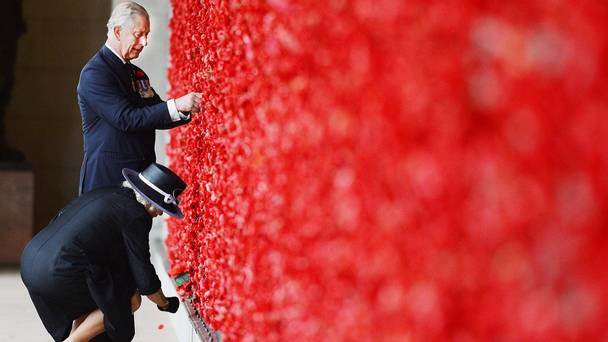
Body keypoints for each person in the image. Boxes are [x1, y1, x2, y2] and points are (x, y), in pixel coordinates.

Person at [21, 163, 188, 341]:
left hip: (31, 261)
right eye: (162, 208)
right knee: (128, 301)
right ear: (151, 201)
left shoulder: (108, 193)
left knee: (100, 302)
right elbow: (144, 275)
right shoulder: (136, 215)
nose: (161, 214)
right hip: (59, 271)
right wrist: (165, 303)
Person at [77, 1, 201, 194]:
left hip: (139, 179)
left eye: (147, 35)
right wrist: (177, 104)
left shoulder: (136, 73)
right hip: (108, 181)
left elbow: (154, 111)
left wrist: (184, 108)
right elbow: (125, 118)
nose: (145, 42)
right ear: (118, 32)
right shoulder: (95, 73)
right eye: (139, 35)